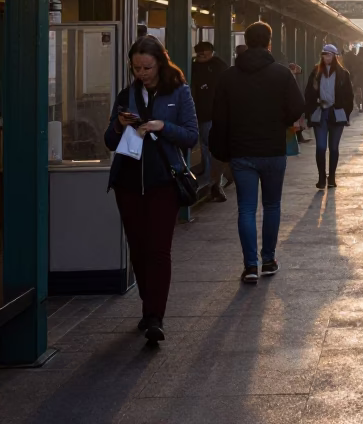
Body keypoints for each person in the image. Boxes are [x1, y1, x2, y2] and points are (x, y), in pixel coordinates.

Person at [104, 36, 198, 343]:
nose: (142, 73)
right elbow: (109, 140)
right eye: (136, 67)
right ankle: (149, 303)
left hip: (164, 181)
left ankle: (155, 315)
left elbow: (191, 136)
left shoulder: (178, 92)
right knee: (138, 248)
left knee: (159, 250)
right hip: (128, 182)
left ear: (160, 61)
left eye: (147, 66)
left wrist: (161, 126)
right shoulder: (126, 94)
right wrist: (119, 124)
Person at [210, 22, 305, 284]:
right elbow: (298, 106)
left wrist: (223, 148)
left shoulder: (229, 76)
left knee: (246, 209)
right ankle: (269, 259)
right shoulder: (282, 74)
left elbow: (219, 116)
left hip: (242, 152)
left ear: (246, 42)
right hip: (273, 150)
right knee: (272, 205)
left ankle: (250, 266)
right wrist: (280, 121)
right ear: (269, 43)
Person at [304, 44, 354, 189]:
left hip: (336, 113)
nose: (326, 57)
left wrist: (346, 112)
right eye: (324, 55)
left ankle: (331, 176)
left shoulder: (343, 74)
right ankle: (321, 177)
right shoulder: (316, 72)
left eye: (329, 55)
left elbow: (349, 96)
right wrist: (309, 113)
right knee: (320, 147)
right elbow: (308, 93)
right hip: (320, 113)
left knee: (333, 147)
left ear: (335, 56)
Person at [191, 41, 232, 202]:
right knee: (207, 147)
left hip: (212, 115)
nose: (201, 55)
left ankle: (213, 181)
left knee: (210, 147)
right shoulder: (196, 67)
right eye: (199, 52)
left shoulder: (219, 66)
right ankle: (215, 180)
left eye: (204, 52)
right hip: (199, 114)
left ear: (211, 52)